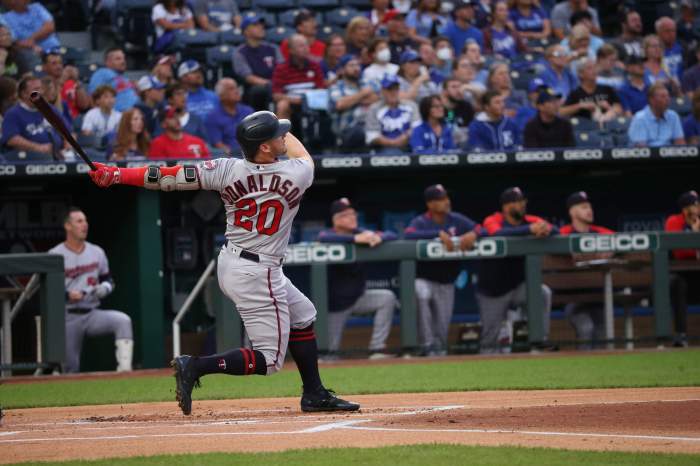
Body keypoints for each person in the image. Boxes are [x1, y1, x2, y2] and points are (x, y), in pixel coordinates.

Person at [88, 111, 360, 415]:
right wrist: (280, 118)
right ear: (265, 147)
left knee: (303, 314)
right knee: (268, 360)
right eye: (277, 134)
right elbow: (303, 153)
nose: (284, 135)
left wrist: (116, 174)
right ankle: (196, 366)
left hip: (233, 260)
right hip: (259, 270)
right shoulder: (296, 173)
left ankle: (315, 394)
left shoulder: (225, 168)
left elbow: (167, 177)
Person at [49, 207, 133, 374]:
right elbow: (47, 291)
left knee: (123, 321)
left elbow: (108, 280)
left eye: (85, 221)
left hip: (92, 313)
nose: (84, 225)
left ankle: (125, 372)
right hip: (67, 317)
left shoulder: (97, 252)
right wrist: (66, 295)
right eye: (79, 221)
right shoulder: (54, 254)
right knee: (69, 369)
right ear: (68, 226)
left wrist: (104, 288)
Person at [405, 184, 483, 356]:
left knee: (441, 328)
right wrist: (437, 234)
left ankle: (437, 355)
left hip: (447, 281)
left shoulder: (457, 219)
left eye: (446, 198)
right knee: (420, 293)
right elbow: (408, 234)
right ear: (430, 204)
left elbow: (480, 228)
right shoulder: (421, 221)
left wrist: (473, 234)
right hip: (424, 278)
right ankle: (425, 346)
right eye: (440, 199)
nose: (446, 202)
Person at [477, 187, 556, 353]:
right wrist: (529, 231)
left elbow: (555, 229)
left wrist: (545, 229)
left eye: (522, 201)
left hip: (519, 287)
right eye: (516, 202)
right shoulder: (494, 219)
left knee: (542, 292)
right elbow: (498, 233)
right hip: (493, 290)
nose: (521, 205)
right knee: (489, 340)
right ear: (505, 207)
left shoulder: (531, 220)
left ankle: (540, 340)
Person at [317, 198, 398, 360]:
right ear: (337, 219)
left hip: (358, 298)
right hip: (335, 306)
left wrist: (379, 238)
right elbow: (323, 238)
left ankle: (377, 348)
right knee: (328, 354)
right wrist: (354, 240)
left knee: (387, 298)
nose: (353, 217)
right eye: (347, 215)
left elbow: (392, 234)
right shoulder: (329, 235)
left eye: (353, 214)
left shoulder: (360, 232)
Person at [559, 191, 614, 349]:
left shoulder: (601, 232)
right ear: (572, 211)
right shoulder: (564, 233)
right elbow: (554, 241)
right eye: (584, 207)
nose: (589, 210)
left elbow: (620, 239)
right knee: (586, 328)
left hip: (598, 296)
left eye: (590, 207)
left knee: (601, 333)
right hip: (573, 298)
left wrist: (611, 249)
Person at [665, 190, 700, 348]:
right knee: (678, 284)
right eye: (693, 205)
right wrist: (693, 234)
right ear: (684, 209)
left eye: (697, 205)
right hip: (682, 276)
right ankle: (681, 335)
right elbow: (680, 252)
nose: (696, 209)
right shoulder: (674, 221)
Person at [0, 74, 63, 157]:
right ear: (24, 94)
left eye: (41, 88)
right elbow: (12, 139)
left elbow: (68, 131)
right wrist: (38, 148)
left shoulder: (50, 109)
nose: (41, 92)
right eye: (36, 89)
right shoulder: (13, 114)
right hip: (28, 159)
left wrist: (67, 147)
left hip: (57, 156)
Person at [232, 15, 282, 112]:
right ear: (246, 31)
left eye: (261, 25)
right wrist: (269, 84)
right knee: (258, 91)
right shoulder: (240, 52)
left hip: (277, 84)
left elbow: (282, 68)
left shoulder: (273, 48)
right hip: (256, 89)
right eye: (255, 25)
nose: (261, 27)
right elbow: (248, 77)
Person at [329, 54, 379, 151]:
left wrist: (352, 100)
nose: (356, 68)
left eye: (357, 65)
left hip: (372, 125)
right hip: (348, 130)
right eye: (351, 65)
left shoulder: (368, 82)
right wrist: (363, 94)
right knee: (359, 133)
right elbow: (340, 104)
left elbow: (379, 98)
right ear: (342, 70)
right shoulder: (336, 87)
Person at [271, 34, 325, 121]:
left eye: (307, 45)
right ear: (291, 50)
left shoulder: (315, 66)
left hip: (312, 101)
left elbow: (321, 88)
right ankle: (283, 134)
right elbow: (276, 95)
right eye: (301, 46)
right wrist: (298, 100)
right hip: (292, 102)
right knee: (282, 105)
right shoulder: (281, 68)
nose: (306, 48)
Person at [365, 75, 420, 154]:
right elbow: (372, 135)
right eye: (389, 89)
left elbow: (417, 127)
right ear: (382, 91)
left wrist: (404, 137)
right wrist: (393, 143)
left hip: (409, 145)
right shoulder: (374, 109)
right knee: (392, 153)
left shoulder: (411, 106)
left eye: (396, 89)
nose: (393, 92)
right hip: (384, 148)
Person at [1, 0, 60, 73]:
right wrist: (31, 45)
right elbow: (12, 40)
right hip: (29, 53)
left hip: (55, 49)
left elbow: (50, 26)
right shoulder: (4, 17)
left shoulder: (37, 7)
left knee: (72, 65)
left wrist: (32, 39)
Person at [560, 59, 622, 123]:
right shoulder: (575, 93)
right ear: (581, 74)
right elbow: (562, 112)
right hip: (585, 128)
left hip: (608, 125)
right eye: (589, 68)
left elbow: (618, 107)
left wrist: (610, 111)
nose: (594, 71)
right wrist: (580, 106)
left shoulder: (607, 88)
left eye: (595, 67)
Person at [628, 82, 685, 147]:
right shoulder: (640, 118)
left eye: (668, 96)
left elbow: (680, 143)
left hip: (670, 155)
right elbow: (641, 149)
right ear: (651, 100)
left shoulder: (673, 116)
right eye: (663, 96)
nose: (667, 99)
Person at [205, 78, 253, 155]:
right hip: (229, 156)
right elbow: (218, 144)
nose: (237, 91)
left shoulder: (248, 111)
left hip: (251, 153)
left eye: (237, 88)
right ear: (221, 96)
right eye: (231, 89)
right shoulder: (213, 117)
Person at [88, 48, 139, 112]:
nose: (123, 61)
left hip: (137, 111)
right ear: (108, 62)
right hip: (120, 114)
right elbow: (93, 98)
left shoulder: (124, 78)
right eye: (118, 59)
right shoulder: (102, 73)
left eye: (123, 58)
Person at [441, 77, 475, 146]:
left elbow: (471, 128)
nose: (458, 90)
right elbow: (450, 118)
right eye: (454, 87)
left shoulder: (466, 106)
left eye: (460, 87)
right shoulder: (437, 107)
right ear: (445, 91)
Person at [655, 17, 683, 83]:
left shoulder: (683, 48)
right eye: (667, 31)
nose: (671, 34)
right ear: (658, 33)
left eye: (673, 30)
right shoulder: (654, 50)